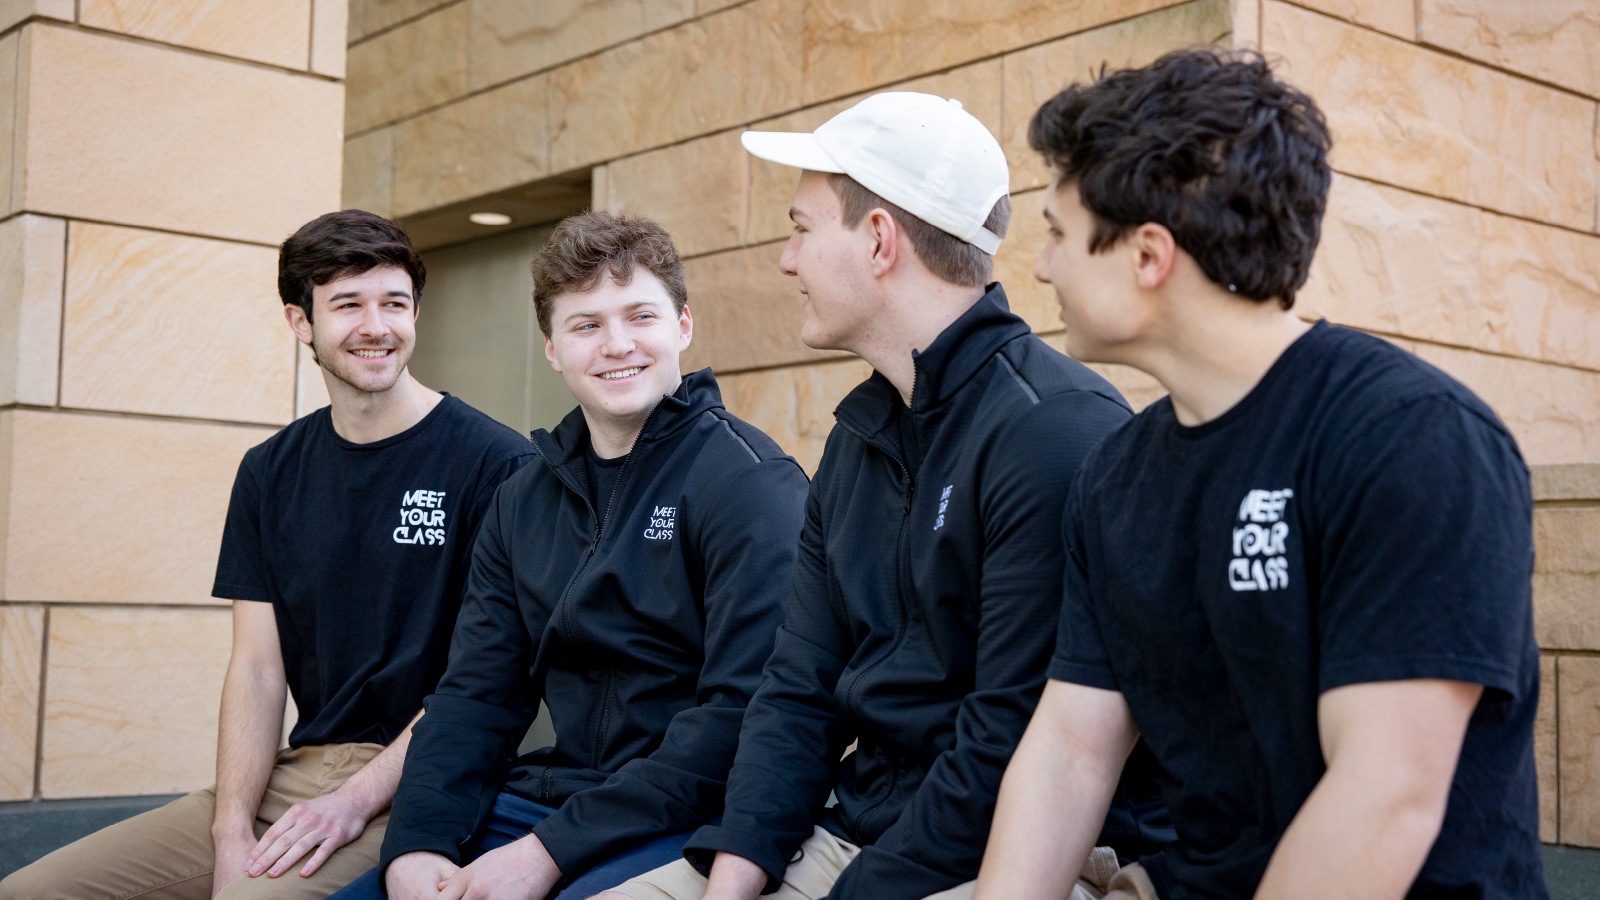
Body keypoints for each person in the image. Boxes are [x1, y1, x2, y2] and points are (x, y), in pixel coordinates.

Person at [974, 49, 1547, 900]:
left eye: (1057, 234)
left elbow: (1385, 796)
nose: (1042, 267)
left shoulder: (1413, 440)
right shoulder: (1115, 478)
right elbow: (1071, 752)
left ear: (1147, 254)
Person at [602, 92, 1169, 900]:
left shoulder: (1057, 434)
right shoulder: (860, 434)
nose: (786, 259)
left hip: (1017, 856)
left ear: (877, 241)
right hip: (851, 834)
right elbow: (797, 687)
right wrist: (732, 880)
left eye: (801, 227)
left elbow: (1009, 747)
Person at [0, 210, 537, 900]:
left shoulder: (498, 465)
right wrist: (231, 831)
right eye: (348, 304)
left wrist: (349, 803)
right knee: (32, 891)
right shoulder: (270, 470)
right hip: (293, 772)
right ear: (300, 322)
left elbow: (483, 684)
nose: (376, 326)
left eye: (394, 303)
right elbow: (256, 669)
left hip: (423, 777)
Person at [326, 211, 809, 900]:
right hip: (543, 802)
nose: (617, 345)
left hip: (684, 817)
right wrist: (419, 843)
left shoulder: (750, 484)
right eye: (586, 325)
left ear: (683, 326)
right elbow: (475, 695)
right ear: (552, 349)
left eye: (639, 316)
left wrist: (547, 854)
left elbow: (742, 714)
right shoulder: (524, 498)